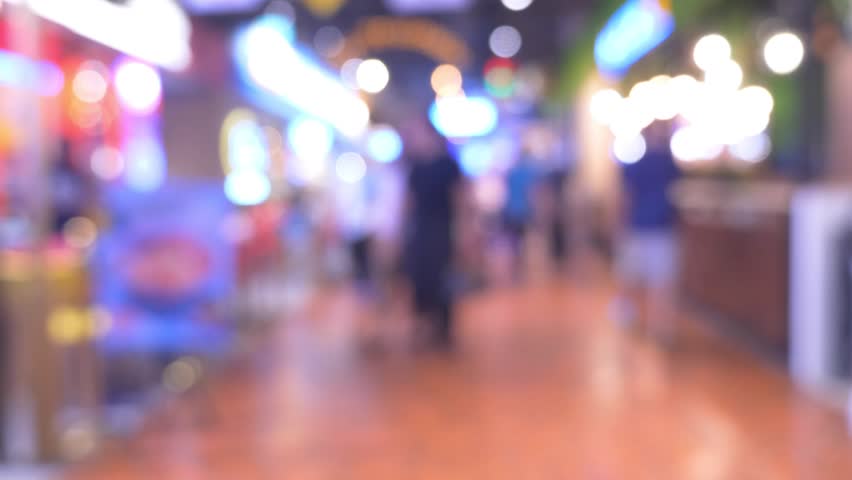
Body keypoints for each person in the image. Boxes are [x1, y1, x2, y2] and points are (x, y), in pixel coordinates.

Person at [614, 121, 681, 343]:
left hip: (641, 228)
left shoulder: (636, 166)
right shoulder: (670, 165)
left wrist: (619, 226)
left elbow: (625, 197)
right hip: (660, 229)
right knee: (661, 282)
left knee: (634, 278)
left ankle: (632, 318)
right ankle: (659, 328)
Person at [402, 118, 463, 346]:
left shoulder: (447, 164)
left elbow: (460, 197)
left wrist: (465, 229)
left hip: (443, 227)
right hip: (420, 228)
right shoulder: (415, 166)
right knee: (421, 276)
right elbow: (408, 202)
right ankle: (425, 323)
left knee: (443, 276)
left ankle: (443, 327)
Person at [502, 153, 539, 280]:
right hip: (524, 210)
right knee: (524, 239)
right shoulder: (528, 173)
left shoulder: (512, 173)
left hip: (511, 210)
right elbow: (532, 192)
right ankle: (522, 265)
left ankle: (516, 265)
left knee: (515, 240)